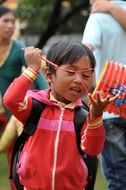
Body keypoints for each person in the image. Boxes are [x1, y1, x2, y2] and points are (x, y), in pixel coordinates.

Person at [3, 40, 118, 190]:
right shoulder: (34, 107)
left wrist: (96, 116)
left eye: (86, 75)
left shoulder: (83, 116)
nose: (78, 80)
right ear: (49, 75)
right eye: (71, 72)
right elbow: (10, 99)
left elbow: (93, 149)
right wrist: (32, 69)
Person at [0, 6, 48, 190]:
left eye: (13, 22)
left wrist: (49, 98)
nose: (11, 26)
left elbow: (39, 75)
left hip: (12, 111)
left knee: (15, 155)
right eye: (6, 21)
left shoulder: (19, 48)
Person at [82, 0, 126, 189]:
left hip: (109, 105)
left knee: (117, 177)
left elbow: (84, 52)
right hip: (112, 107)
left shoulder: (98, 17)